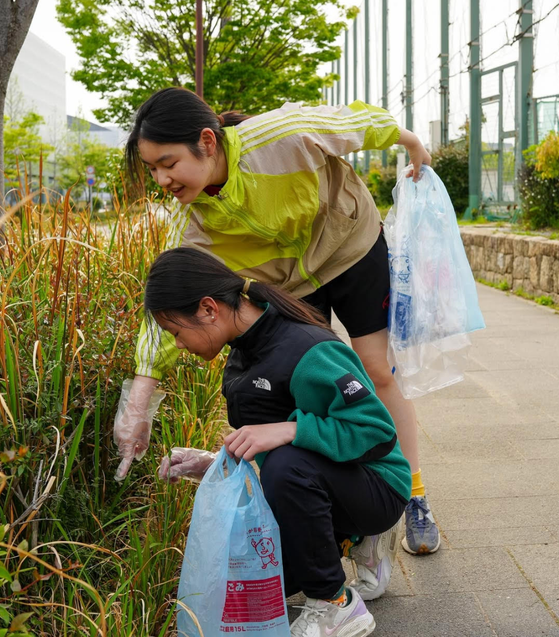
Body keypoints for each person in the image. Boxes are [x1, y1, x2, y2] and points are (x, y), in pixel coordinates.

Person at [113, 87, 442, 555]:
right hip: (290, 280)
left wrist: (410, 142)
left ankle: (411, 495)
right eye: (153, 170)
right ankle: (342, 509)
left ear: (207, 141)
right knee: (310, 386)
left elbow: (352, 124)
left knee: (373, 370)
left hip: (349, 245)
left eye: (168, 163)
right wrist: (138, 402)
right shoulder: (193, 224)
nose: (162, 179)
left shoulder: (280, 137)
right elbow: (170, 305)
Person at [149, 247, 411, 637]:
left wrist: (290, 430)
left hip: (377, 484)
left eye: (176, 332)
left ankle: (336, 604)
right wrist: (213, 462)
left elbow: (376, 433)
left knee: (288, 467)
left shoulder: (308, 350)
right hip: (322, 479)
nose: (179, 344)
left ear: (207, 309)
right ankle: (349, 540)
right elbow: (268, 443)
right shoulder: (243, 353)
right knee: (249, 587)